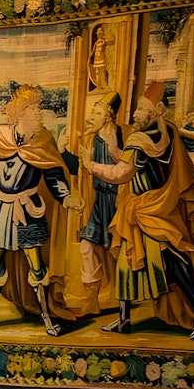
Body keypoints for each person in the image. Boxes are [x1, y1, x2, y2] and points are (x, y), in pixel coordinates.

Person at [81, 82, 194, 338]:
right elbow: (137, 162)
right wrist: (114, 149)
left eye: (141, 109)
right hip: (155, 204)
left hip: (148, 208)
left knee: (170, 261)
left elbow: (121, 173)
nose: (134, 114)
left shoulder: (139, 138)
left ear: (155, 110)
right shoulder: (165, 131)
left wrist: (89, 165)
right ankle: (124, 319)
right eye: (135, 108)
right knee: (127, 261)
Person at [0, 85, 83, 336]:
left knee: (36, 266)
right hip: (0, 210)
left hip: (29, 211)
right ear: (20, 113)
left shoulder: (43, 141)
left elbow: (53, 175)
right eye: (34, 109)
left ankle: (46, 318)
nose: (39, 113)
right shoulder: (0, 137)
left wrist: (66, 197)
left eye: (39, 108)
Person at [76, 92, 123, 309]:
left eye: (96, 112)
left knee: (117, 249)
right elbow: (82, 166)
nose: (91, 116)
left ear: (108, 115)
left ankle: (121, 298)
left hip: (116, 201)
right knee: (87, 245)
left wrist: (113, 153)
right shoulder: (93, 138)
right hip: (99, 200)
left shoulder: (120, 136)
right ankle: (91, 299)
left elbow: (125, 169)